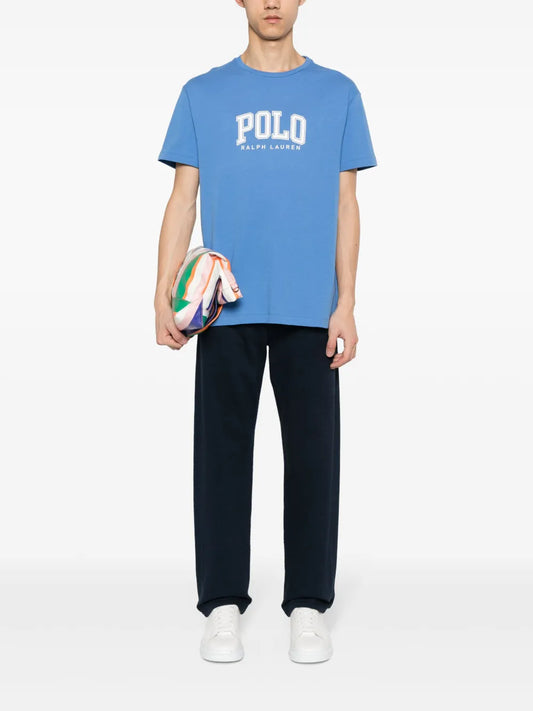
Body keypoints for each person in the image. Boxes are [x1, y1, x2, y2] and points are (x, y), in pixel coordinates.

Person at [154, 0, 377, 664]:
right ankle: (222, 604)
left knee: (313, 459)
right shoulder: (202, 94)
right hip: (226, 304)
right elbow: (183, 198)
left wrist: (347, 302)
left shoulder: (338, 93)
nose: (272, 2)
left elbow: (346, 203)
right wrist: (163, 290)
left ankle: (308, 605)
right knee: (221, 456)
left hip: (311, 307)